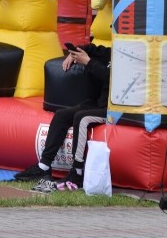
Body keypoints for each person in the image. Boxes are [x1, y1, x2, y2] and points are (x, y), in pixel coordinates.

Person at [14, 41, 111, 190]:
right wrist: (75, 53)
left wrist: (88, 62)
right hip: (97, 103)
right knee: (61, 115)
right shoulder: (111, 52)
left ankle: (77, 172)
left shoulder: (130, 59)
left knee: (82, 118)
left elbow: (111, 77)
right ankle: (44, 166)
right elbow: (94, 49)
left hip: (114, 109)